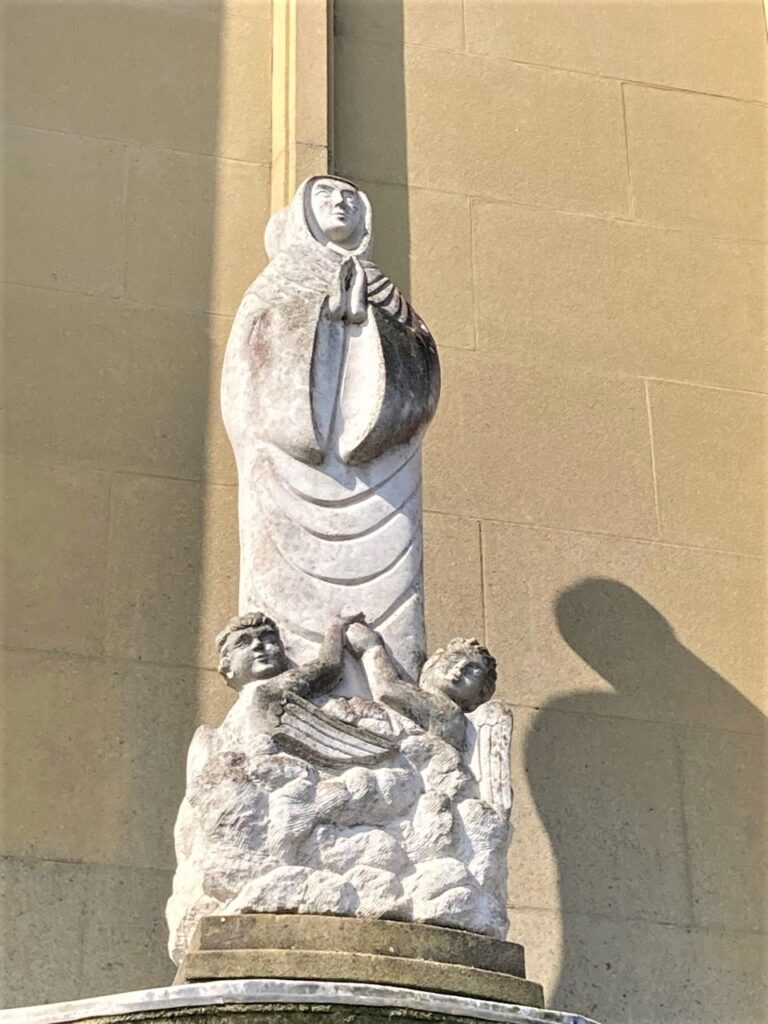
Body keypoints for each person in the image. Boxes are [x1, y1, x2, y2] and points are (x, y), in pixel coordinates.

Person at [221, 176, 441, 693]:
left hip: (381, 481)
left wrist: (370, 324)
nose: (339, 204)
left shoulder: (383, 287)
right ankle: (286, 686)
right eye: (325, 197)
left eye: (349, 198)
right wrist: (320, 315)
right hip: (289, 472)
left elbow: (423, 371)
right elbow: (248, 375)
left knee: (393, 606)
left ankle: (393, 693)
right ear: (302, 213)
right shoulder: (279, 284)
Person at [346, 621, 497, 751]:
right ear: (434, 660)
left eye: (473, 672)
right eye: (454, 658)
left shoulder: (449, 712)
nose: (459, 668)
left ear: (478, 698)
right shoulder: (432, 700)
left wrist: (371, 647)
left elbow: (387, 690)